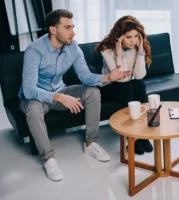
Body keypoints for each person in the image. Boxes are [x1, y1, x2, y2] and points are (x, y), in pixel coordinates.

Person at [18, 9, 131, 181]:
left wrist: (108, 77)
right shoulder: (34, 51)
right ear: (53, 30)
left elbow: (85, 77)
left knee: (92, 92)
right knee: (33, 108)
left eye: (73, 27)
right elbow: (29, 90)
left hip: (60, 91)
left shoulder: (73, 47)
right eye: (68, 27)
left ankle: (91, 143)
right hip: (36, 98)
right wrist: (59, 97)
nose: (73, 32)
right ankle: (49, 158)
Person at [94, 16, 153, 155]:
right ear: (119, 37)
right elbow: (121, 79)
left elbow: (139, 75)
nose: (133, 41)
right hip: (109, 87)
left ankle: (142, 133)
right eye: (128, 37)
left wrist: (140, 51)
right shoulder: (106, 50)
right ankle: (132, 136)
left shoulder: (136, 47)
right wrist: (119, 53)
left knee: (139, 84)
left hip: (127, 85)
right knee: (128, 87)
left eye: (136, 36)